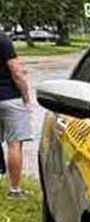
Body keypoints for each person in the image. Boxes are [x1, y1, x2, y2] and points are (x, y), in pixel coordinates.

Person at [0, 30, 34, 199]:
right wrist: (26, 97)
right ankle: (14, 190)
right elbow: (16, 72)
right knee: (14, 144)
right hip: (9, 98)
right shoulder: (3, 39)